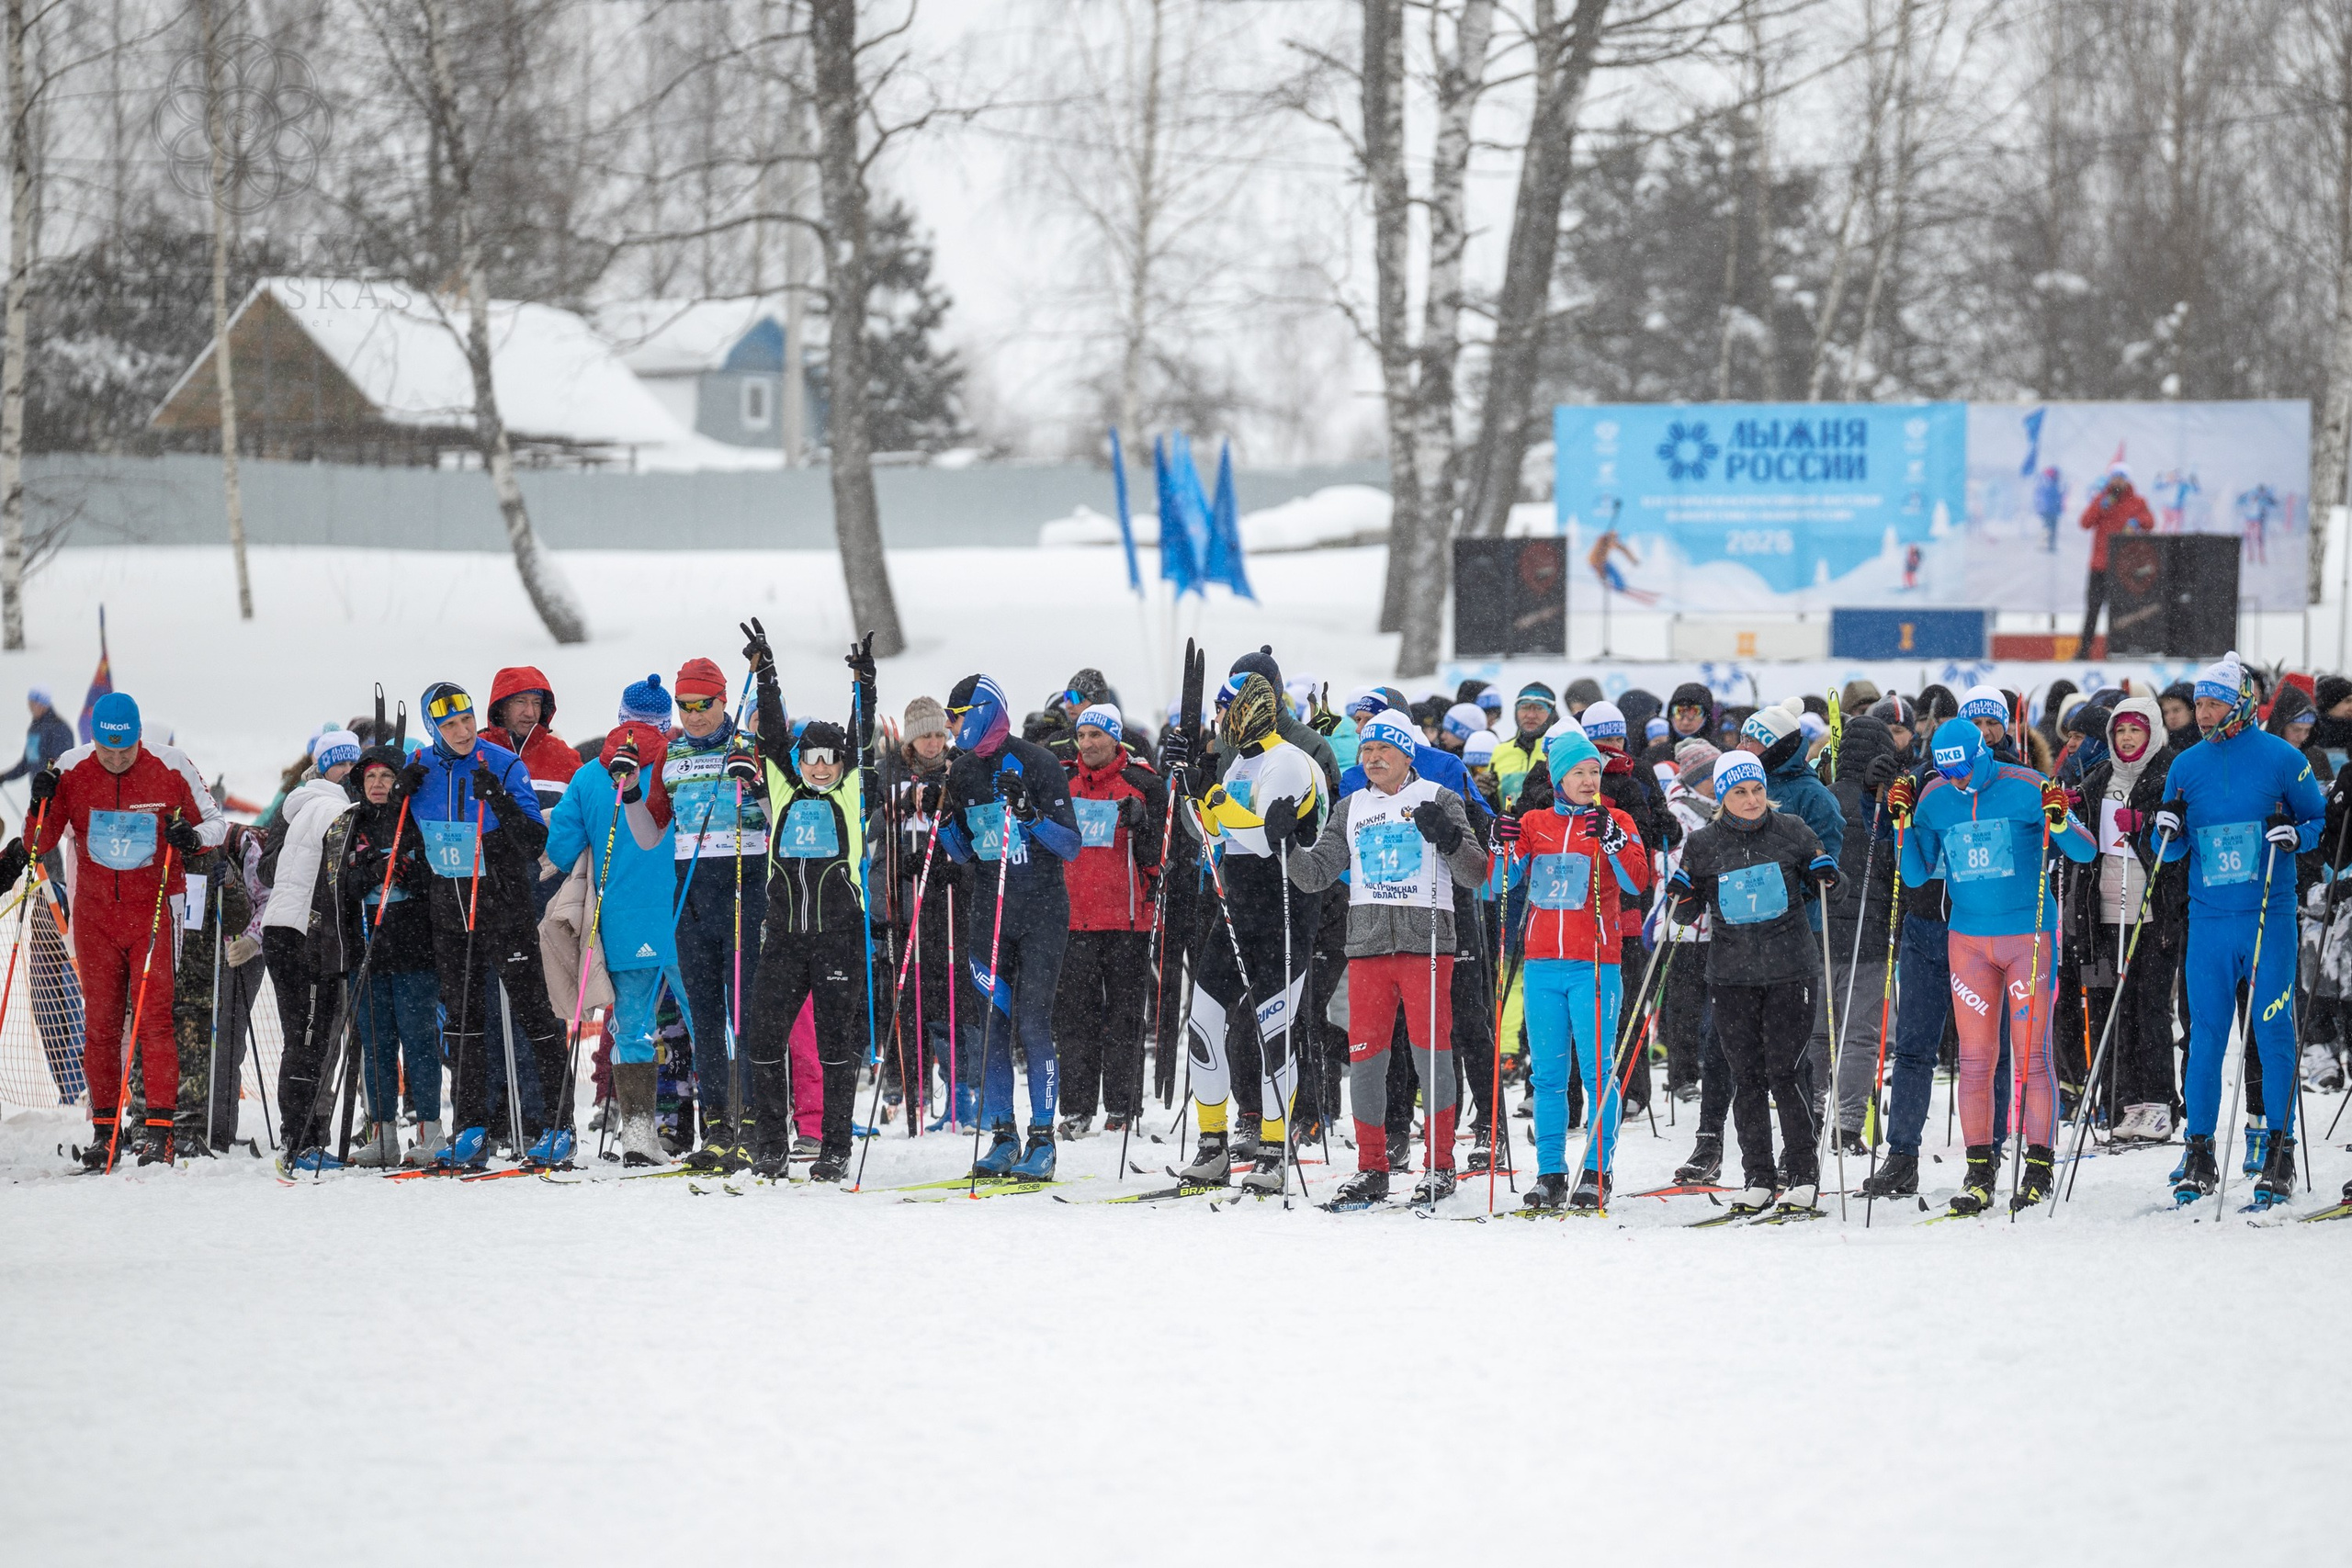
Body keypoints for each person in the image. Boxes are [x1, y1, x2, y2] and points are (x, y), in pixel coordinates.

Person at [1286, 707, 1485, 1208]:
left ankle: (1440, 1166)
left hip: (1426, 947)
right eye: (1367, 750)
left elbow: (1475, 874)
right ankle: (1371, 1167)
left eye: (1384, 750)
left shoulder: (1440, 798)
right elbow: (1315, 874)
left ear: (1406, 754)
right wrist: (1286, 843)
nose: (1372, 758)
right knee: (1368, 1062)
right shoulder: (1350, 806)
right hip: (1369, 949)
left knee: (1431, 1059)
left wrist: (1453, 838)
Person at [1895, 716, 2096, 1214]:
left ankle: (2039, 1166)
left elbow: (2085, 850)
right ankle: (1980, 1168)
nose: (1957, 779)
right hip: (1967, 941)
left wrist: (2058, 819)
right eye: (1947, 770)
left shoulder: (2026, 785)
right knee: (1975, 1059)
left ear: (1982, 752)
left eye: (1963, 767)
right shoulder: (1936, 798)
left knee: (2031, 1057)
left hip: (2027, 937)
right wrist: (1900, 823)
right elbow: (1917, 874)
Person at [2152, 654, 2325, 1208]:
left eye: (2213, 703)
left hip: (2266, 918)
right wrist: (2168, 830)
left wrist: (2295, 837)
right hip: (2208, 922)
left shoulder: (2283, 757)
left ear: (2242, 703)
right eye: (2199, 704)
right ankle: (2198, 1147)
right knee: (2205, 1038)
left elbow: (2319, 821)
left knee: (2274, 1035)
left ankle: (2279, 1148)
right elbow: (2170, 848)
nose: (2203, 714)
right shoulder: (2186, 765)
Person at [28, 692, 207, 1168]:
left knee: (153, 1021)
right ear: (94, 741)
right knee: (101, 1026)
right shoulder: (71, 767)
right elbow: (38, 843)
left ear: (138, 737)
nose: (116, 760)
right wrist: (39, 802)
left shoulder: (171, 766)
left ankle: (158, 1132)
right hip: (95, 917)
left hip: (153, 913)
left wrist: (190, 838)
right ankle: (104, 1132)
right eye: (107, 752)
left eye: (125, 751)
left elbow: (212, 823)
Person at [1168, 672, 1325, 1195]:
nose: (1219, 715)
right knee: (1205, 1022)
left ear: (1252, 707)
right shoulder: (1239, 761)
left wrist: (1209, 793)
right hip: (1236, 907)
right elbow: (1215, 828)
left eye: (1224, 706)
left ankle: (1276, 1148)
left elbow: (1260, 838)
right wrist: (1188, 786)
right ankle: (1211, 1144)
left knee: (1273, 1035)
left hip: (1283, 909)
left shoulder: (1288, 762)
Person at [400, 679, 566, 1168]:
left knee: (534, 1015)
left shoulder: (504, 764)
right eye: (449, 724)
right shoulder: (422, 769)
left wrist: (498, 798)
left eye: (467, 718)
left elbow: (535, 840)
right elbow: (402, 845)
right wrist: (397, 803)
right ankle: (471, 1127)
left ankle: (560, 1126)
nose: (462, 730)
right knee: (464, 1025)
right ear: (433, 728)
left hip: (503, 908)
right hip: (450, 913)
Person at [1667, 750, 1836, 1219]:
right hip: (1731, 974)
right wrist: (1680, 892)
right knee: (1746, 1078)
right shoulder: (1704, 844)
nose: (1752, 799)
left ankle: (1802, 1175)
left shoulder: (1792, 830)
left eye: (1758, 789)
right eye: (1740, 791)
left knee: (1786, 1072)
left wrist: (1824, 872)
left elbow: (1824, 876)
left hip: (1790, 971)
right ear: (1723, 796)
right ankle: (1758, 1177)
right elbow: (1687, 909)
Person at [740, 627, 880, 1183]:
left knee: (835, 1044)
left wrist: (864, 687)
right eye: (812, 758)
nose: (821, 767)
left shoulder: (851, 793)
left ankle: (835, 1148)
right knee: (764, 1036)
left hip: (836, 938)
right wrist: (767, 672)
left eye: (831, 759)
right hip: (784, 938)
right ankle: (772, 1145)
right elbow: (772, 736)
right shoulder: (783, 786)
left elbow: (864, 739)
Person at [939, 671, 1081, 1179]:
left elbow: (1071, 845)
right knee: (991, 1028)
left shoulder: (1038, 762)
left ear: (982, 713)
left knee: (1032, 1023)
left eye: (959, 718)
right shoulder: (960, 774)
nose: (954, 729)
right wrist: (946, 826)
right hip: (989, 913)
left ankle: (1043, 1139)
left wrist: (1030, 813)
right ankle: (1004, 1135)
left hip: (1041, 911)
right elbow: (960, 853)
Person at [1503, 724, 1652, 1211]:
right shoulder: (1535, 823)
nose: (1590, 781)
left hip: (1594, 965)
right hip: (1543, 966)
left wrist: (1612, 839)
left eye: (1595, 772)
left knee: (1597, 1073)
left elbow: (1636, 882)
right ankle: (1550, 1172)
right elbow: (1494, 885)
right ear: (1558, 777)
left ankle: (1596, 1169)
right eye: (1579, 773)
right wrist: (1499, 845)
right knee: (1547, 1076)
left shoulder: (1618, 818)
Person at [548, 713, 681, 1168]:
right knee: (711, 1018)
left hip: (624, 917)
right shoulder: (679, 761)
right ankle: (736, 1126)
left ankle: (639, 1134)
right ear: (666, 721)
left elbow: (562, 847)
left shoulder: (588, 775)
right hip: (687, 910)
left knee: (631, 1025)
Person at [662, 656, 768, 1172]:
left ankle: (754, 1126)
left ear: (725, 700)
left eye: (704, 704)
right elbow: (645, 830)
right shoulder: (672, 753)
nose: (695, 715)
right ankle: (718, 1127)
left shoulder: (747, 747)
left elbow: (779, 817)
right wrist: (633, 790)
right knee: (703, 1019)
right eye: (685, 706)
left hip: (743, 889)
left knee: (745, 1017)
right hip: (691, 897)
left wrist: (759, 785)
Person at [2069, 696, 2181, 1145]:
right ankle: (2120, 1101)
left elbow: (2177, 842)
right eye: (2120, 731)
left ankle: (2158, 1103)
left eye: (2136, 729)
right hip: (2104, 913)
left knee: (2149, 1008)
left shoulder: (2167, 774)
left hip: (2152, 912)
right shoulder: (2098, 779)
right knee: (2109, 1012)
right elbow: (2080, 837)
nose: (2128, 738)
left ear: (2151, 731)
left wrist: (2145, 825)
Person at [1055, 704, 1166, 1138]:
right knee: (1075, 1017)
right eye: (1081, 736)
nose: (1087, 744)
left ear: (1115, 738)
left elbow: (1161, 855)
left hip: (1128, 920)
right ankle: (1078, 1108)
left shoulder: (1142, 783)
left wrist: (1144, 827)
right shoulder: (1064, 782)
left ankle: (1122, 1104)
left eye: (1096, 736)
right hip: (1074, 919)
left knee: (1123, 1016)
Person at [261, 730, 360, 1164]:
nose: (350, 772)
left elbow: (267, 869)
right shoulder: (336, 808)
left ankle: (301, 1135)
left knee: (301, 1041)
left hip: (281, 930)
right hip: (309, 935)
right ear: (323, 768)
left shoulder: (299, 804)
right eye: (341, 764)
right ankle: (302, 1140)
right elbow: (345, 876)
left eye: (354, 763)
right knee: (310, 1041)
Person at [1821, 712, 1900, 1155]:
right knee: (1859, 1035)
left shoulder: (1825, 795)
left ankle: (1810, 1113)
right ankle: (1847, 1126)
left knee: (1818, 1033)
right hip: (1869, 937)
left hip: (1821, 935)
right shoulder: (1886, 805)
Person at [481, 666, 579, 823]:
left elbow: (587, 816)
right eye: (520, 702)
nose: (530, 712)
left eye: (537, 703)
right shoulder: (476, 751)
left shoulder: (564, 756)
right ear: (501, 706)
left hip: (548, 848)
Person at [2077, 465, 2154, 653]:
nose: (2117, 481)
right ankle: (2084, 650)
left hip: (2123, 567)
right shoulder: (2103, 500)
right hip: (2100, 565)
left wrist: (2137, 522)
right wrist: (2101, 506)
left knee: (2124, 610)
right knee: (2093, 608)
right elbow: (2085, 522)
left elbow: (2150, 522)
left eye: (2121, 477)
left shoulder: (2137, 501)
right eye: (2115, 477)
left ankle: (2121, 648)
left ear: (2127, 480)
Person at [1490, 682, 1558, 809]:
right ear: (1516, 711)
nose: (1531, 715)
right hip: (1507, 827)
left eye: (1539, 708)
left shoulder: (1559, 751)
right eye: (1525, 707)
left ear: (1552, 713)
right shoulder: (1499, 751)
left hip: (1545, 828)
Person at [0, 687, 74, 787]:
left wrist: (48, 785)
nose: (30, 708)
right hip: (38, 792)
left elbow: (60, 763)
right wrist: (5, 777)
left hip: (54, 793)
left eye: (32, 704)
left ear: (42, 704)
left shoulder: (59, 728)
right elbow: (28, 763)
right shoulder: (34, 729)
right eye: (29, 704)